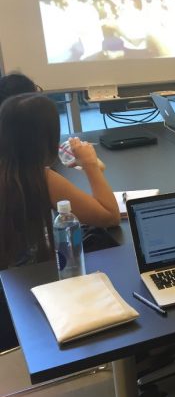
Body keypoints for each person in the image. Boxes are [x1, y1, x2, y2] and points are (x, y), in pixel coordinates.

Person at [0, 93, 120, 269]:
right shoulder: (39, 178)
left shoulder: (10, 172)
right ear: (47, 138)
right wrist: (90, 164)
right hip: (31, 277)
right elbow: (110, 216)